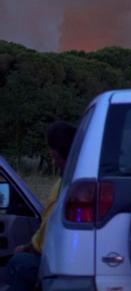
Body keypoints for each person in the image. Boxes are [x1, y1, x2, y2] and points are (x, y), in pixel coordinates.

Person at [4, 121, 76, 291]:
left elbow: (45, 234)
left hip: (58, 261)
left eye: (52, 153)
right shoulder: (73, 180)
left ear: (55, 154)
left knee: (19, 263)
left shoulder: (63, 186)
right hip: (72, 259)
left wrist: (26, 248)